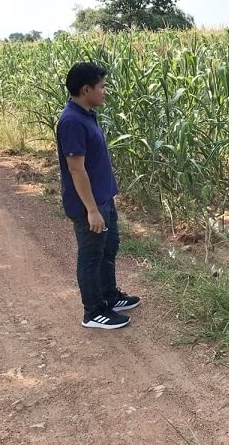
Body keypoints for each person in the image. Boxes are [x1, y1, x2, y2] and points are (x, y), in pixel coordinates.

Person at [56, 62, 140, 329]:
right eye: (102, 87)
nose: (105, 92)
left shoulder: (86, 114)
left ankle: (109, 296)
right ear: (86, 89)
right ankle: (93, 312)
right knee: (91, 256)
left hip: (104, 198)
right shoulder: (71, 121)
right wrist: (91, 209)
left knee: (108, 248)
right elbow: (76, 168)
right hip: (89, 204)